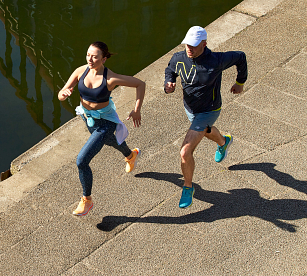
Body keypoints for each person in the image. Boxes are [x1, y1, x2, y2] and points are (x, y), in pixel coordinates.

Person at [58, 41, 146, 216]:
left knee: (81, 161)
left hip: (106, 121)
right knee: (109, 141)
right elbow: (61, 94)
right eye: (88, 55)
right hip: (88, 118)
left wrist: (137, 110)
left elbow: (140, 84)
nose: (90, 59)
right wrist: (64, 94)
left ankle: (87, 201)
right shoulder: (80, 71)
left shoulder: (110, 78)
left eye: (95, 56)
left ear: (104, 59)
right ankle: (131, 155)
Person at [164, 26, 247, 208]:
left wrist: (240, 82)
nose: (189, 49)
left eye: (193, 45)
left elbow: (240, 56)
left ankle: (187, 188)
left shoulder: (216, 60)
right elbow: (170, 70)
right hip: (190, 109)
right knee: (205, 131)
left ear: (204, 44)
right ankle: (224, 142)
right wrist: (168, 84)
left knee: (185, 151)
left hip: (209, 110)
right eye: (187, 44)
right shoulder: (179, 58)